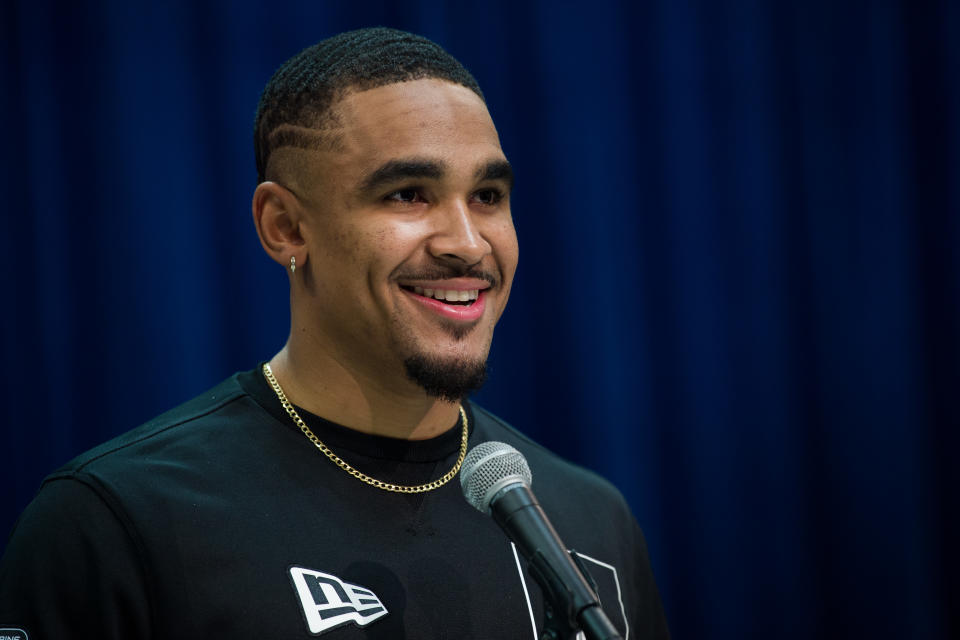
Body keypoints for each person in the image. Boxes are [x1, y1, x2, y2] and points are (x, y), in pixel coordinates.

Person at [0, 27, 669, 639]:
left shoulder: (587, 519)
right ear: (285, 228)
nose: (468, 244)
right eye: (408, 193)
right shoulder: (113, 524)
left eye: (488, 197)